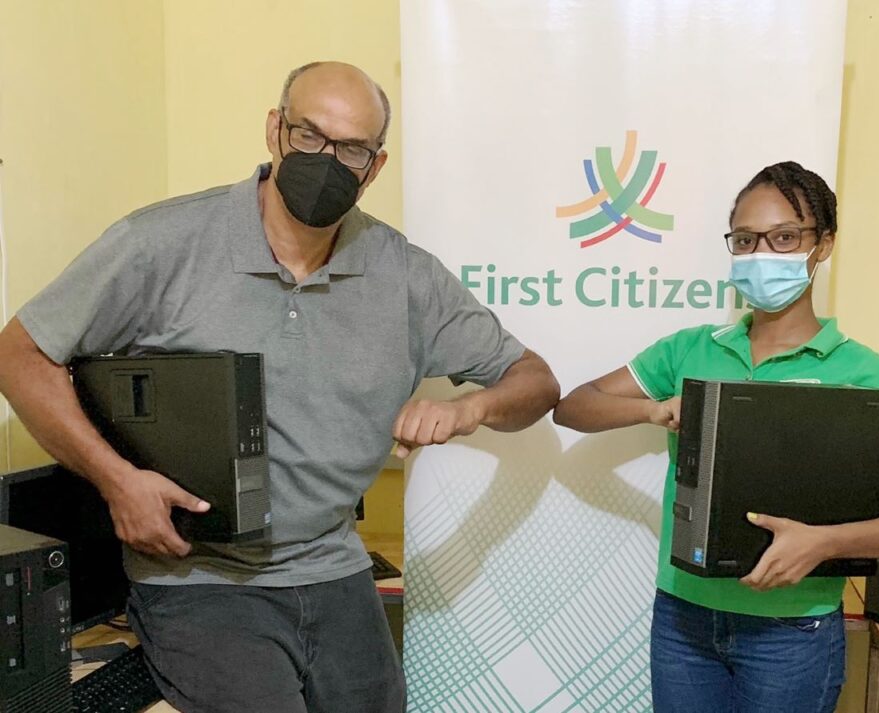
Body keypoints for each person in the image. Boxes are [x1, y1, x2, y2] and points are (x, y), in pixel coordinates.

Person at [0, 61, 560, 713]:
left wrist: (472, 408)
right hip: (198, 577)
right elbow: (19, 354)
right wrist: (118, 481)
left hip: (335, 566)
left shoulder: (407, 276)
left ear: (375, 166)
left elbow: (536, 381)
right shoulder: (159, 244)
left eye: (352, 149)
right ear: (275, 129)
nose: (327, 160)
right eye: (309, 135)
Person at [552, 161, 879, 713]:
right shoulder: (691, 349)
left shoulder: (862, 372)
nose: (761, 254)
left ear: (823, 245)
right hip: (683, 619)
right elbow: (573, 407)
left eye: (784, 237)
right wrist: (653, 410)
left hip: (792, 632)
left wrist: (825, 543)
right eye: (745, 240)